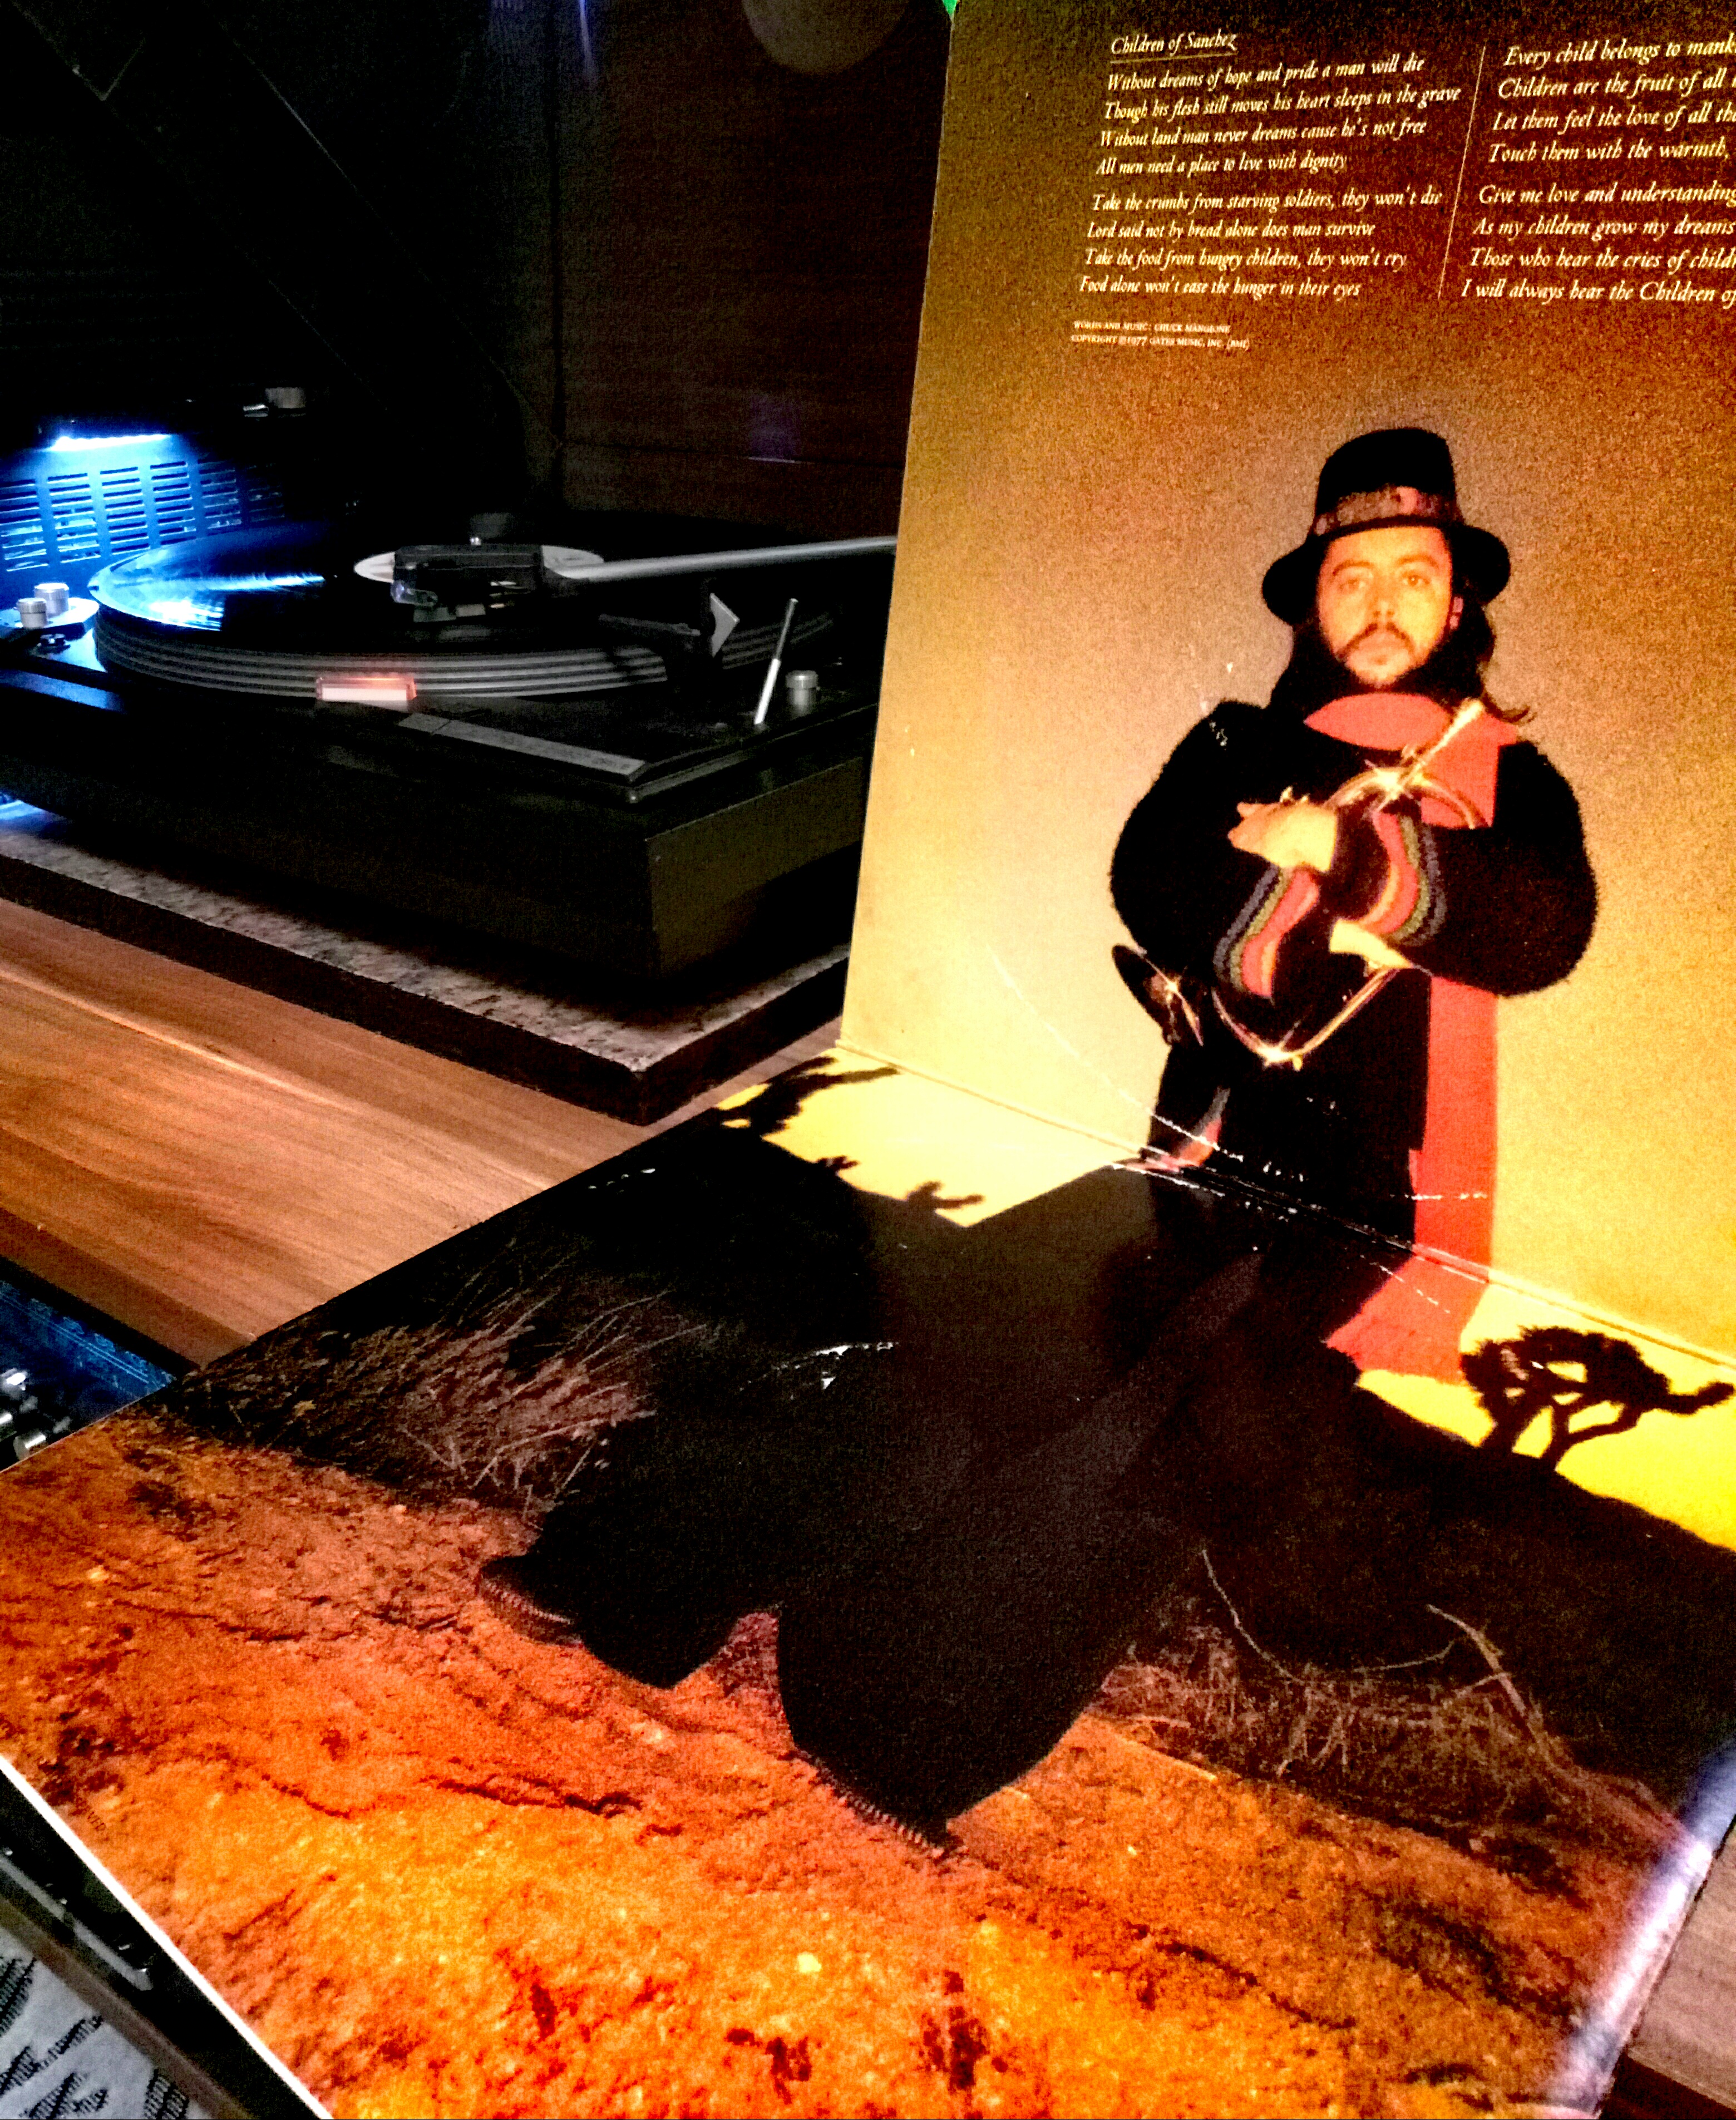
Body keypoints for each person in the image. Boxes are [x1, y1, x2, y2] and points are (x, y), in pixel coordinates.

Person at [1110, 428, 1596, 1365]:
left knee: (1300, 1411)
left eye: (1413, 578)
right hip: (1212, 1139)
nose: (1381, 607)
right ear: (1316, 605)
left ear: (1455, 607)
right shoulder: (1235, 741)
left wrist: (1321, 842)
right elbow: (1148, 875)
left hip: (1395, 1196)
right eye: (1352, 580)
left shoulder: (1515, 774)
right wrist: (1364, 924)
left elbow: (1546, 926)